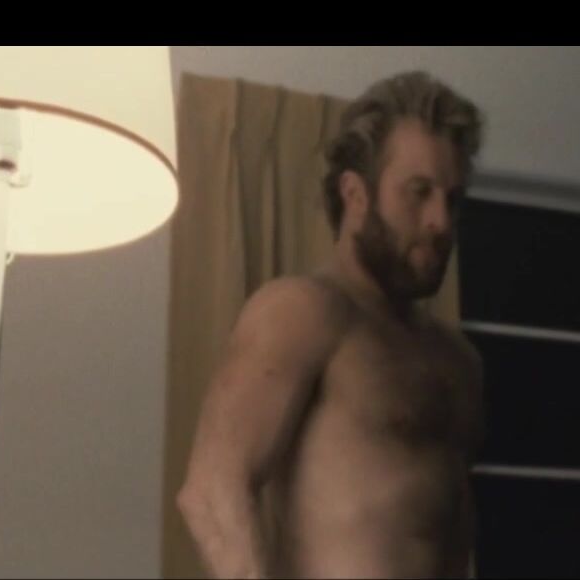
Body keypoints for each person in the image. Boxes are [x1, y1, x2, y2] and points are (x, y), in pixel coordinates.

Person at [177, 70, 486, 579]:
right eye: (419, 192)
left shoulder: (458, 360)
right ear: (355, 194)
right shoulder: (303, 312)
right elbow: (211, 492)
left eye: (452, 199)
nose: (441, 221)